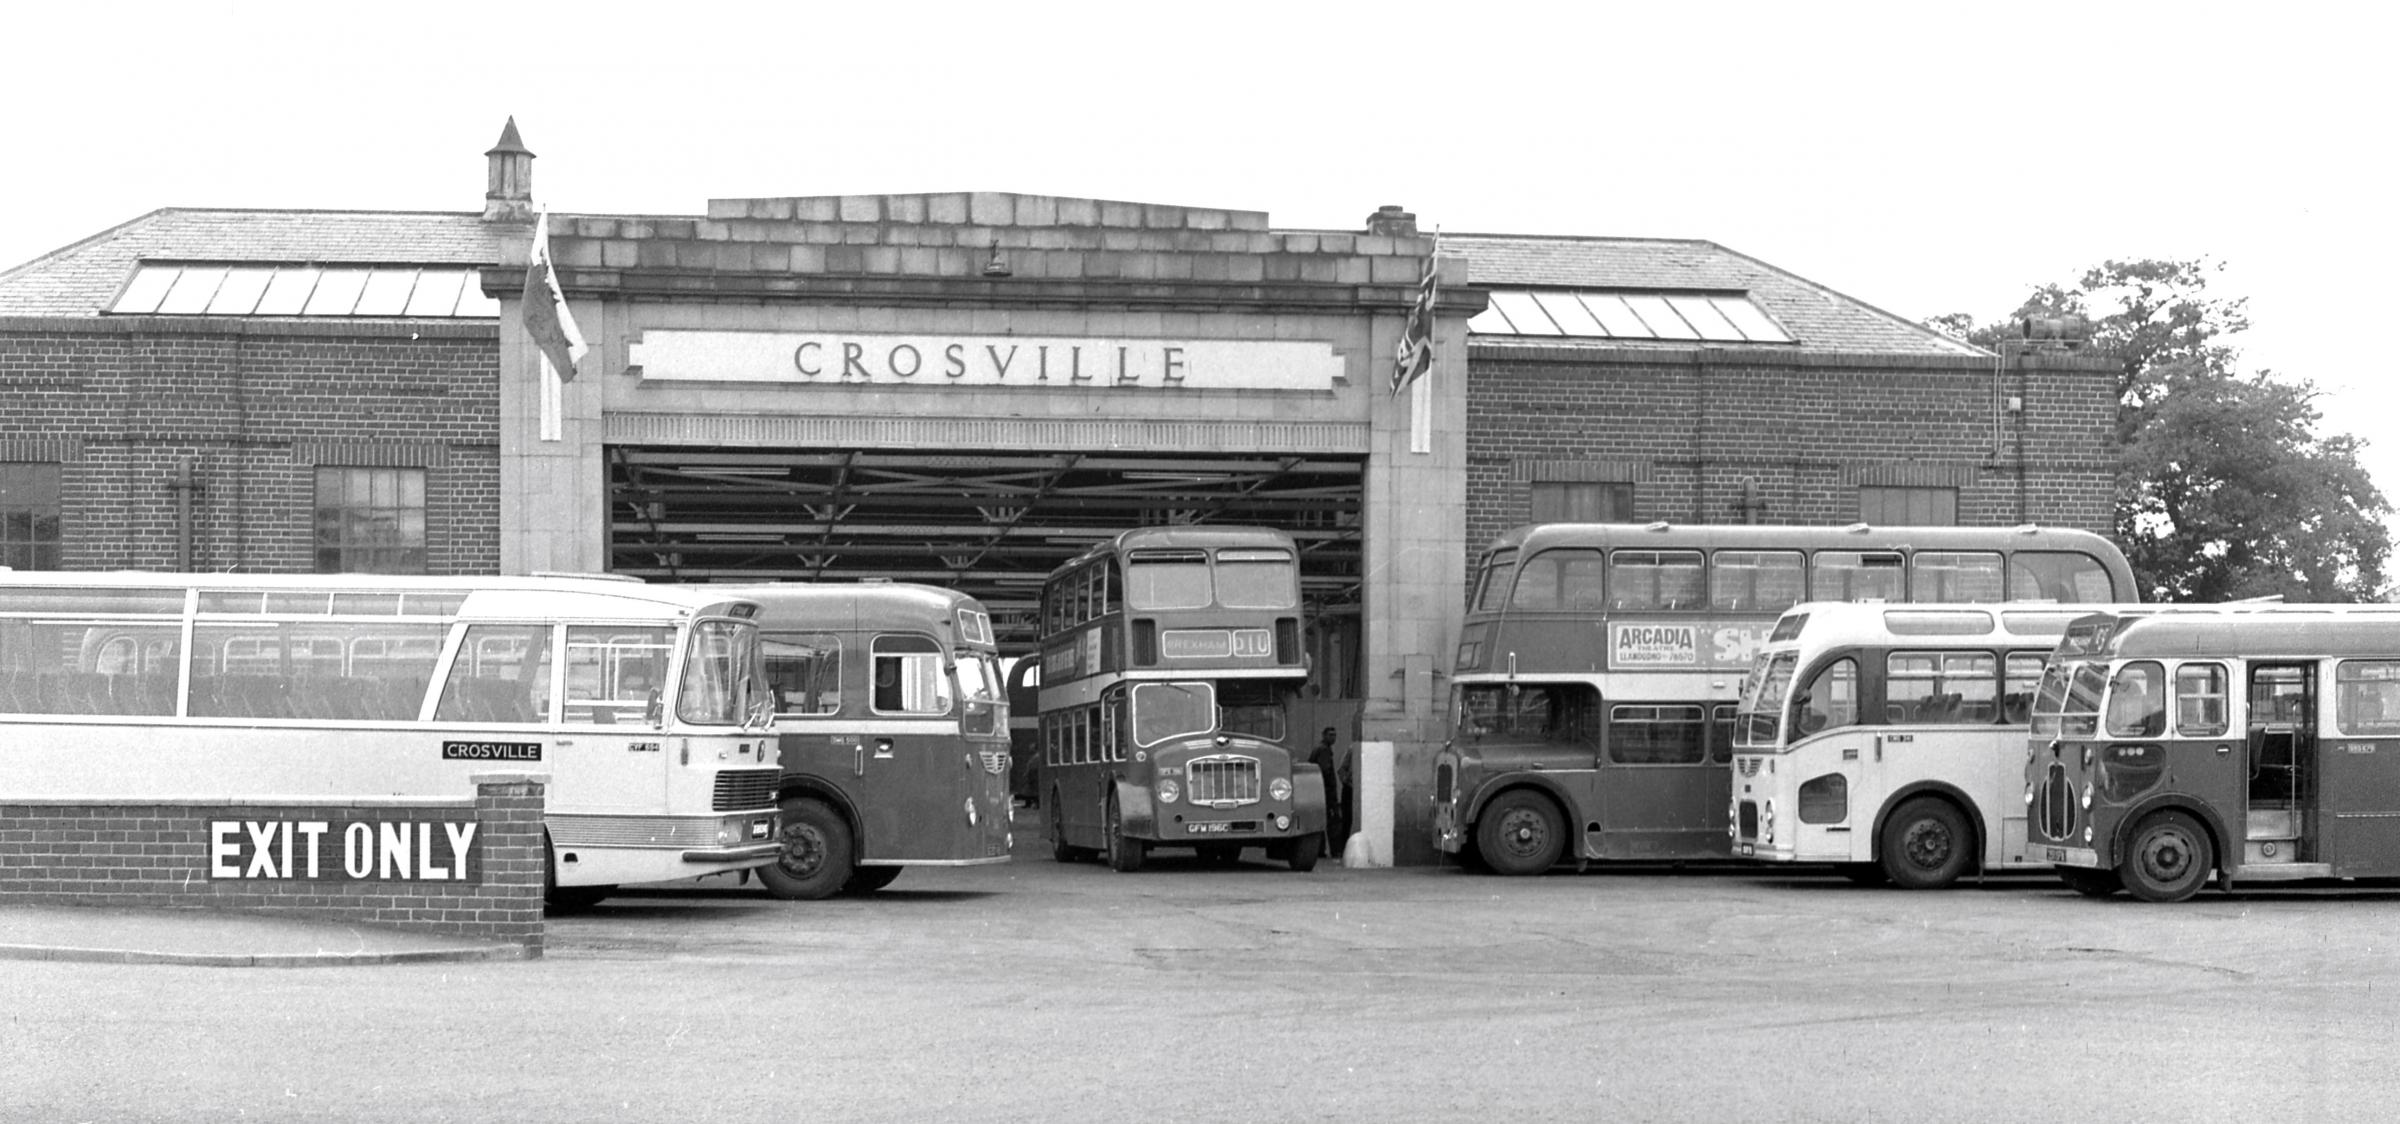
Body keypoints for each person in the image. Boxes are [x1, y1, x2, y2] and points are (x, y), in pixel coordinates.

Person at [1308, 726, 1349, 852]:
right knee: (1333, 822)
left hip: (1319, 791)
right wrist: (1331, 795)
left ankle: (1320, 850)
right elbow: (1325, 772)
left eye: (1334, 735)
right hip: (1325, 792)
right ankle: (1335, 850)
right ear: (1324, 736)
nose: (1333, 738)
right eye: (1330, 735)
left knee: (1321, 822)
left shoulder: (1320, 749)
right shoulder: (1324, 750)